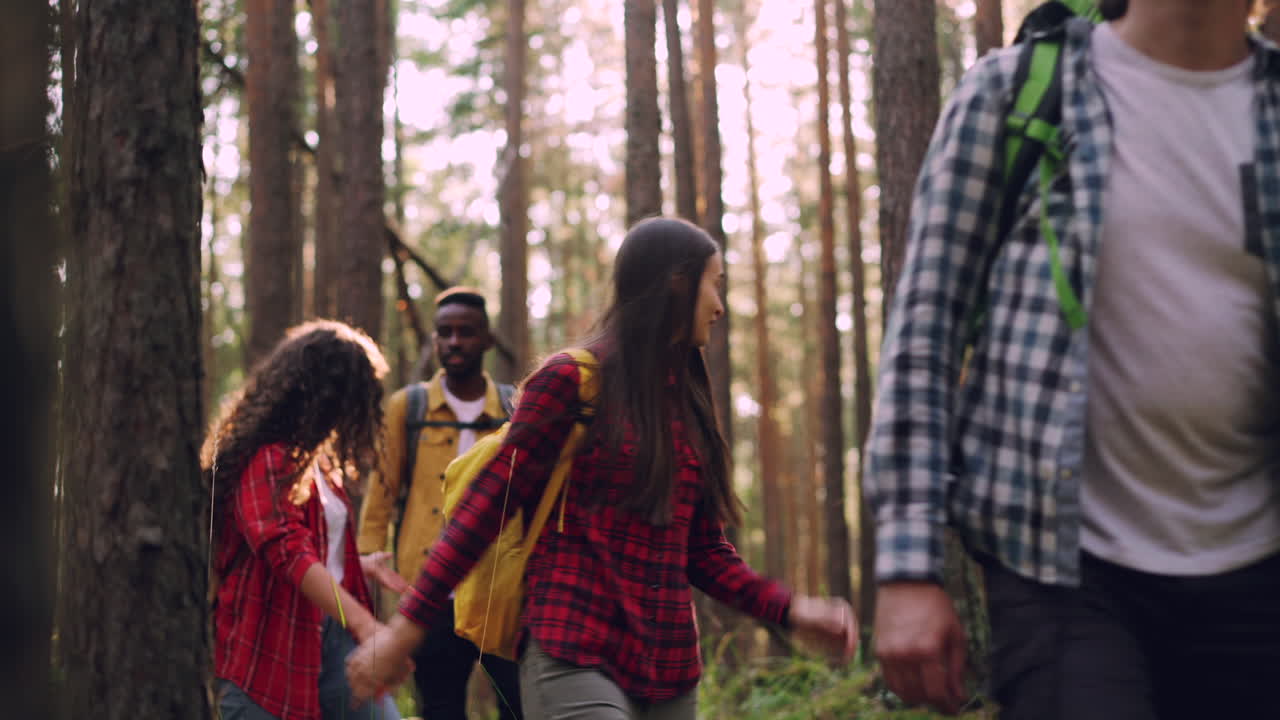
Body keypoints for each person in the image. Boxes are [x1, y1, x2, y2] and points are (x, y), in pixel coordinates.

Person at [863, 0, 1280, 718]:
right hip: (1059, 571)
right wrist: (907, 568)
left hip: (1258, 576)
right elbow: (924, 336)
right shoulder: (1016, 95)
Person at [345, 216, 858, 719]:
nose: (719, 306)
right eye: (714, 285)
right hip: (573, 646)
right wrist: (405, 631)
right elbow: (487, 507)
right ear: (677, 284)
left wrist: (790, 611)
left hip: (670, 670)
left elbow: (703, 550)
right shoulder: (571, 380)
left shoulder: (684, 405)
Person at [206, 320, 404, 720]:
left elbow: (311, 547)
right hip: (268, 643)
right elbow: (286, 549)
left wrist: (357, 566)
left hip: (329, 633)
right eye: (354, 397)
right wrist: (367, 625)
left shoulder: (319, 466)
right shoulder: (265, 458)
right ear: (323, 395)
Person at [356, 287, 524, 720]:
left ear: (487, 339)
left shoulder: (513, 408)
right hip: (427, 591)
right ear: (434, 340)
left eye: (466, 332)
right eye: (444, 332)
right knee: (440, 708)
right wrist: (366, 560)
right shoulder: (406, 408)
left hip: (498, 592)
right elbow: (382, 490)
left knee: (518, 706)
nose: (454, 342)